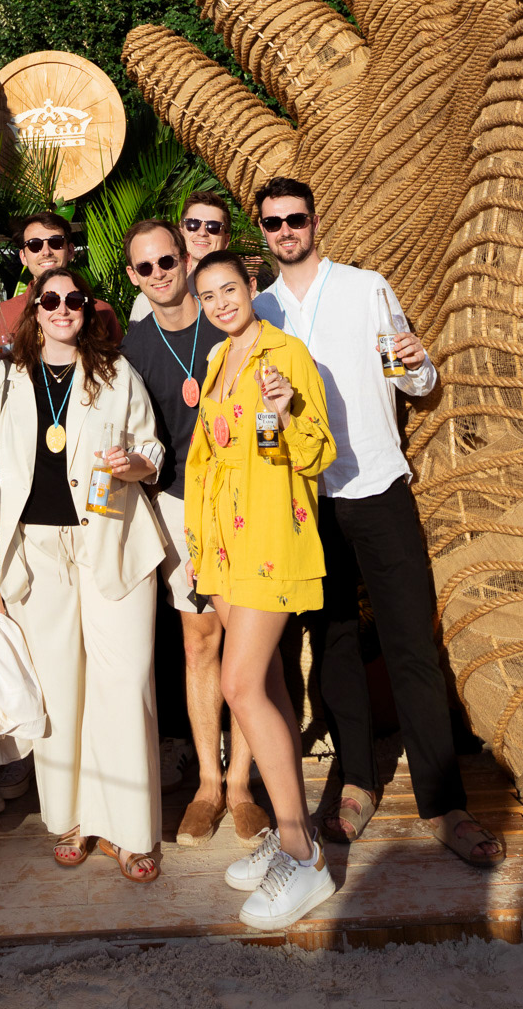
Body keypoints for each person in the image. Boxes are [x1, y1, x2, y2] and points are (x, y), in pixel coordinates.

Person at [251, 177, 505, 869]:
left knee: (411, 643)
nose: (285, 231)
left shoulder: (366, 289)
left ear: (315, 221)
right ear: (263, 232)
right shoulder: (259, 309)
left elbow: (414, 381)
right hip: (306, 497)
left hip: (378, 484)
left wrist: (421, 367)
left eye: (295, 218)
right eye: (273, 222)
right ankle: (357, 783)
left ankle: (444, 805)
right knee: (333, 644)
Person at [0, 268, 167, 882]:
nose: (62, 309)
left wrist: (136, 464)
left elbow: (152, 447)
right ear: (34, 310)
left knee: (125, 682)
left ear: (86, 308)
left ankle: (129, 831)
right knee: (59, 688)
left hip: (113, 539)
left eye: (73, 300)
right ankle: (70, 819)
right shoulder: (6, 378)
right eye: (50, 300)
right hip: (36, 549)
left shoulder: (116, 372)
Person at [185, 250, 338, 930]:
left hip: (272, 535)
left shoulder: (286, 354)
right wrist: (199, 547)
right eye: (208, 295)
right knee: (268, 683)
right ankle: (290, 828)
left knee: (239, 684)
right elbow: (206, 459)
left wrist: (288, 408)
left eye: (230, 289)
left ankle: (305, 857)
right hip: (225, 543)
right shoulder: (219, 360)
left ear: (252, 287)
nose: (221, 303)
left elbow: (317, 451)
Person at [120, 221, 269, 850]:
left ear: (186, 258)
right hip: (179, 504)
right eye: (145, 267)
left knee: (252, 644)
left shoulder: (227, 320)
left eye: (167, 261)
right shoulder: (132, 345)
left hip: (243, 500)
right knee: (200, 641)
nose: (159, 274)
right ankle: (208, 785)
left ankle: (242, 787)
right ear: (133, 277)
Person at [0, 212, 123, 358]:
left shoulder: (101, 312)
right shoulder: (1, 314)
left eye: (56, 242)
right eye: (34, 245)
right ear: (23, 257)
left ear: (70, 251)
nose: (46, 252)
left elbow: (116, 365)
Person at [128, 189, 232, 323]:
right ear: (181, 232)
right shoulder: (146, 301)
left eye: (213, 226)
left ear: (226, 240)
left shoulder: (243, 296)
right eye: (193, 224)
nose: (202, 233)